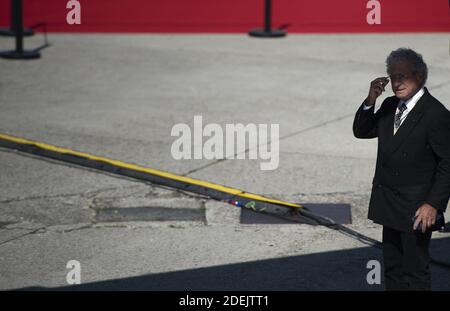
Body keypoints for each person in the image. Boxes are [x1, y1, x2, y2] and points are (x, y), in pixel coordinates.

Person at [353, 48, 450, 290]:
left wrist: (433, 204)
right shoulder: (388, 106)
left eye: (403, 77)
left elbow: (448, 163)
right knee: (393, 269)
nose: (397, 83)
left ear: (419, 76)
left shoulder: (435, 114)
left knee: (415, 271)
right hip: (389, 203)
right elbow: (362, 131)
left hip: (416, 207)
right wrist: (370, 100)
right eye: (393, 77)